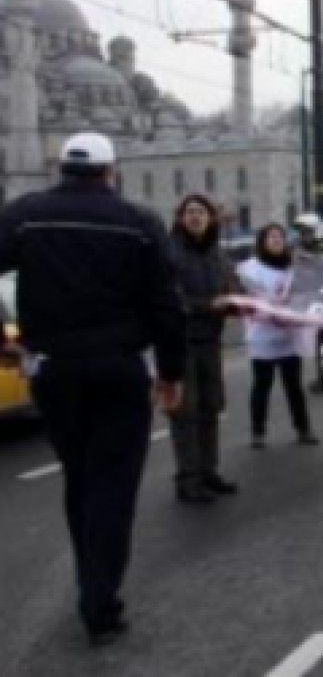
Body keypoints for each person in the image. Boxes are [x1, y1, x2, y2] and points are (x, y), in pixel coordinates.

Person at [0, 133, 185, 646]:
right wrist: (171, 374)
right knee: (113, 486)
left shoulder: (24, 215)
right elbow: (165, 306)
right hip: (120, 370)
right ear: (112, 171)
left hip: (54, 370)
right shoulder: (140, 223)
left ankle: (91, 579)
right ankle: (98, 599)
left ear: (62, 168)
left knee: (79, 478)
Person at [169, 194, 242, 504]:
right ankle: (188, 479)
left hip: (210, 341)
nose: (195, 216)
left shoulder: (218, 254)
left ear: (211, 218)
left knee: (210, 407)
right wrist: (207, 306)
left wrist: (241, 302)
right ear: (181, 218)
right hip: (180, 343)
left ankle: (209, 472)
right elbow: (170, 299)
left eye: (201, 211)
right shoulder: (170, 253)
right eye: (190, 211)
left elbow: (235, 288)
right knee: (186, 413)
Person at [238, 224, 319, 448]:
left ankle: (303, 429)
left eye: (279, 237)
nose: (276, 240)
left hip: (289, 336)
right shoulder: (249, 268)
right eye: (271, 237)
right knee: (262, 385)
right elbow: (242, 296)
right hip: (262, 336)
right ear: (262, 241)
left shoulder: (292, 268)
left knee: (293, 385)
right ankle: (258, 432)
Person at [294, 212, 323, 394]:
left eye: (307, 231)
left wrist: (306, 258)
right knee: (316, 342)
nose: (304, 235)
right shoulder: (301, 248)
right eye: (302, 231)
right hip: (310, 301)